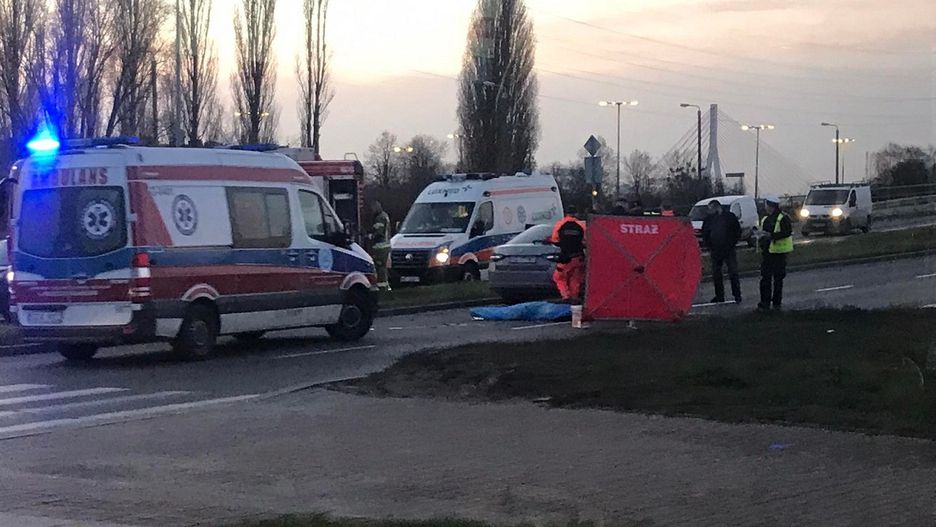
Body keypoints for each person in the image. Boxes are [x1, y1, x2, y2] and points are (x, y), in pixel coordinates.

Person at [701, 199, 742, 304]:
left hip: (728, 249)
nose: (709, 211)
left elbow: (737, 231)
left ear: (717, 207)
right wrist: (709, 245)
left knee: (733, 272)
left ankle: (737, 295)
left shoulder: (730, 217)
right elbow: (705, 233)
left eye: (711, 209)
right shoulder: (709, 219)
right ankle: (719, 296)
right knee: (716, 274)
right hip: (715, 250)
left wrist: (732, 243)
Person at [758, 194, 794, 311]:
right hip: (767, 253)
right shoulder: (765, 219)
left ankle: (776, 302)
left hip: (779, 253)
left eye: (767, 205)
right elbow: (763, 233)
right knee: (765, 279)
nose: (766, 208)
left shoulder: (783, 218)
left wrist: (772, 236)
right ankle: (765, 302)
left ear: (770, 206)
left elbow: (787, 232)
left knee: (778, 279)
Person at [548, 205, 587, 302]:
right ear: (576, 213)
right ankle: (574, 299)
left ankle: (565, 296)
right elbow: (586, 241)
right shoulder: (582, 225)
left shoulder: (560, 224)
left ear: (566, 213)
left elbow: (555, 240)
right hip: (578, 257)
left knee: (558, 277)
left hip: (565, 257)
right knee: (575, 279)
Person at [368, 201, 392, 291]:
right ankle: (385, 285)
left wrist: (371, 236)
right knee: (383, 267)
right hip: (386, 246)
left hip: (380, 247)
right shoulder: (385, 215)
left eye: (372, 208)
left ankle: (382, 286)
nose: (372, 210)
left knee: (380, 267)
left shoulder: (379, 218)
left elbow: (379, 232)